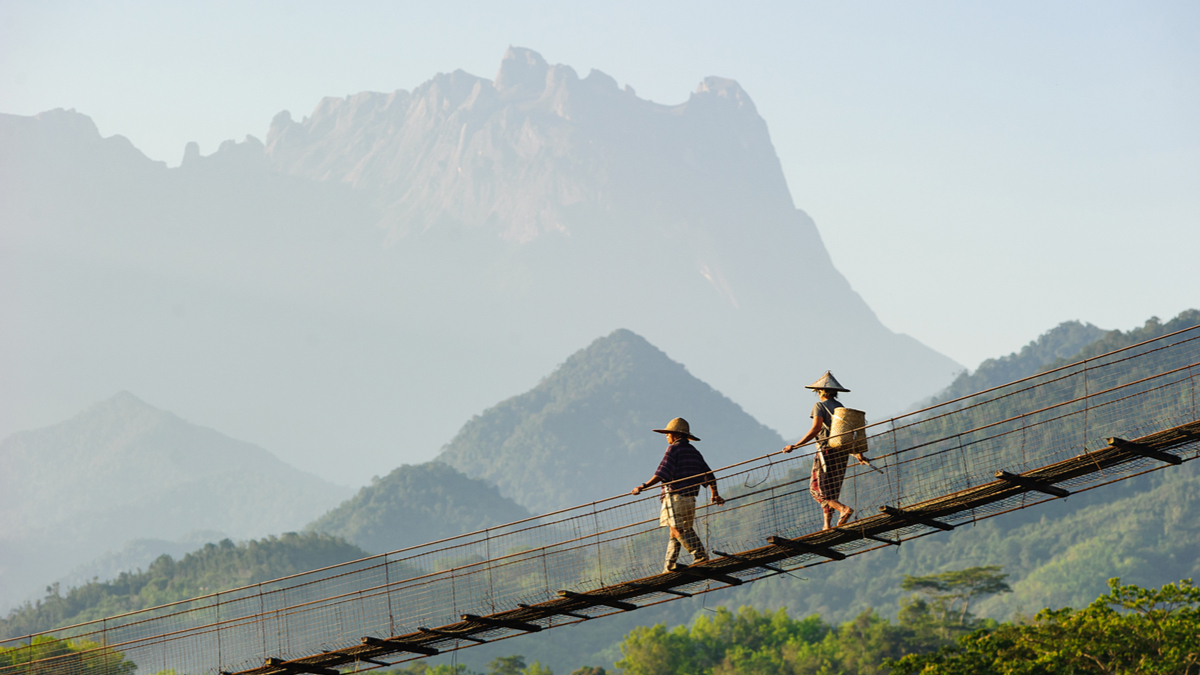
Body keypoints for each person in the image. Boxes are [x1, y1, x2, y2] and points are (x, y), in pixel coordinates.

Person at [631, 417, 725, 572]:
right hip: (690, 499)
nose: (666, 437)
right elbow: (709, 475)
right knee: (674, 532)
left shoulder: (673, 449)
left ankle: (700, 555)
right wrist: (714, 493)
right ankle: (668, 566)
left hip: (675, 497)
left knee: (677, 530)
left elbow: (662, 473)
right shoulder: (694, 452)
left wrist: (643, 486)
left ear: (675, 435)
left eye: (668, 434)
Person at [783, 371, 865, 530]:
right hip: (841, 452)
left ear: (820, 392)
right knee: (832, 488)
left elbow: (816, 428)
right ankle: (827, 525)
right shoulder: (840, 407)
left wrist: (796, 445)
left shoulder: (819, 406)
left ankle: (843, 509)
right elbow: (844, 433)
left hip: (825, 451)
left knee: (817, 489)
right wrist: (856, 453)